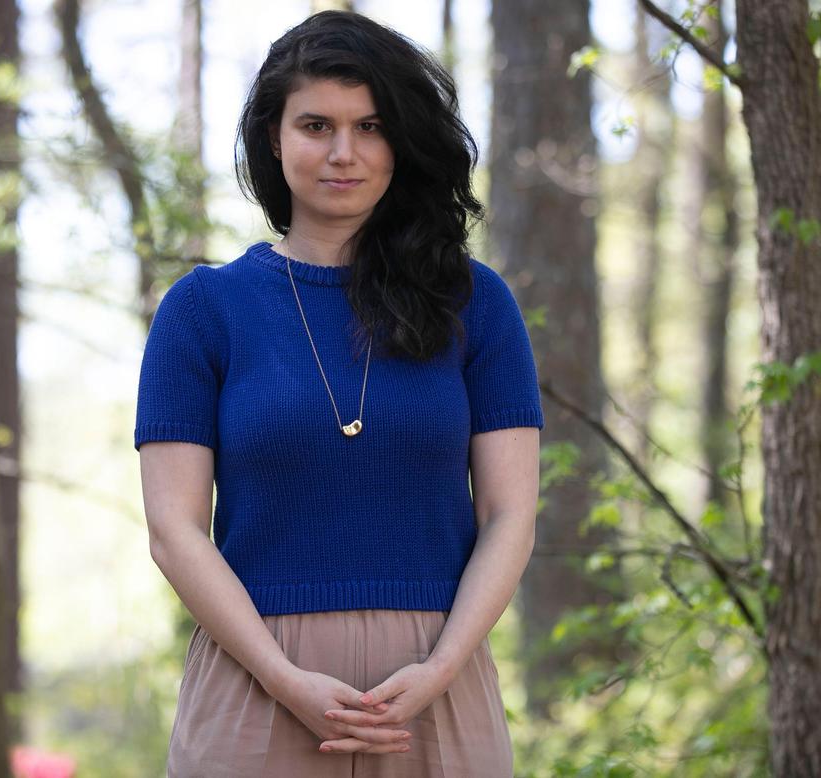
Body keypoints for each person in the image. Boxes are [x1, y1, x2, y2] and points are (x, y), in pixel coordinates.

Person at [136, 9, 543, 777]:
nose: (344, 152)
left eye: (371, 126)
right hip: (254, 681)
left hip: (435, 684)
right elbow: (174, 527)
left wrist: (442, 666)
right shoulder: (201, 311)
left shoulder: (476, 304)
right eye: (317, 125)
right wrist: (282, 677)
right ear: (274, 137)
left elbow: (509, 514)